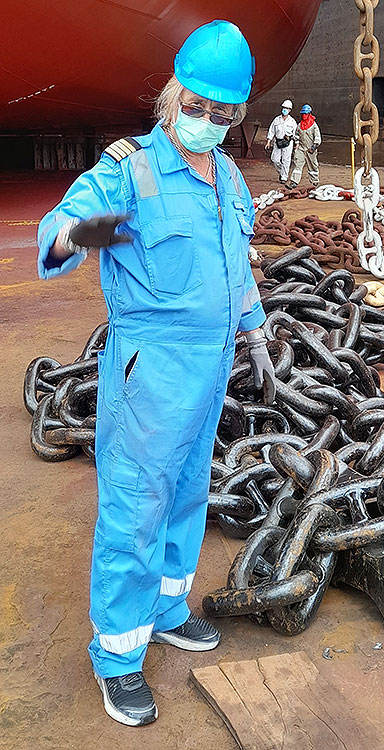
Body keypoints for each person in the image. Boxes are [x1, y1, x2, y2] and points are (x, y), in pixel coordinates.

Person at [36, 19, 277, 727]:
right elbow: (68, 232)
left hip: (209, 371)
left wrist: (255, 329)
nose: (205, 121)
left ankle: (168, 607)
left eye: (220, 112)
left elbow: (236, 269)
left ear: (235, 115)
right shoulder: (130, 172)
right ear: (173, 96)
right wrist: (80, 231)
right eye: (195, 106)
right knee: (135, 507)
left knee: (185, 496)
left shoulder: (229, 176)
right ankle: (117, 655)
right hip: (150, 374)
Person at [285, 104, 322, 189]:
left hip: (310, 149)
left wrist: (314, 147)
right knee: (297, 164)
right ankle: (294, 182)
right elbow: (297, 136)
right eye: (302, 114)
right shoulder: (299, 125)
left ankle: (314, 182)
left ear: (309, 114)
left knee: (312, 166)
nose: (304, 116)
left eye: (305, 114)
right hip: (301, 148)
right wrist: (290, 138)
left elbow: (317, 138)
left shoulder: (314, 126)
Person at [265, 99, 297, 184]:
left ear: (290, 110)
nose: (285, 109)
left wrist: (296, 144)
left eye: (287, 108)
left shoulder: (292, 121)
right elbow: (271, 130)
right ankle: (282, 172)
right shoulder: (276, 120)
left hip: (287, 143)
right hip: (277, 142)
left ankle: (284, 177)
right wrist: (268, 141)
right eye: (284, 107)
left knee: (286, 160)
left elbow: (296, 134)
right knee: (274, 159)